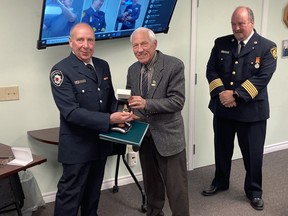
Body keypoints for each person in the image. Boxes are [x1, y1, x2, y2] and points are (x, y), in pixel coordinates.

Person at [50, 22, 135, 216]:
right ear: (71, 43)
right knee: (70, 194)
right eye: (80, 40)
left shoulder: (102, 65)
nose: (85, 45)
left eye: (90, 40)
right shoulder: (60, 71)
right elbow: (71, 112)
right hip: (77, 145)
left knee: (93, 192)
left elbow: (110, 100)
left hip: (101, 142)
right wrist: (109, 119)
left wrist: (125, 110)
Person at [202, 6, 277, 211]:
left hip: (252, 112)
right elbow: (211, 70)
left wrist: (235, 95)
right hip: (224, 109)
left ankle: (254, 192)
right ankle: (220, 181)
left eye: (241, 23)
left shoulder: (267, 47)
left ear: (251, 23)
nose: (236, 27)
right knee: (222, 149)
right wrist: (222, 95)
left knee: (253, 155)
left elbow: (262, 78)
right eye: (234, 23)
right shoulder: (221, 43)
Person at [126, 27, 190, 216]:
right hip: (144, 137)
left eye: (144, 43)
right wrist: (129, 112)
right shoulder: (132, 69)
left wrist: (146, 104)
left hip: (169, 137)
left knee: (176, 189)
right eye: (135, 45)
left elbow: (177, 101)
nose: (139, 49)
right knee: (151, 186)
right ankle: (154, 213)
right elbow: (131, 100)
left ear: (155, 44)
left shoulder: (174, 65)